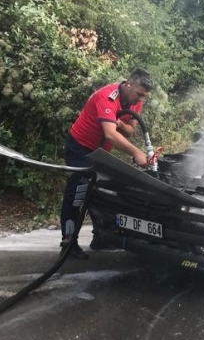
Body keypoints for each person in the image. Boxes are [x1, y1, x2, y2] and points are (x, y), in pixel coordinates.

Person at [60, 69, 153, 258]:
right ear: (128, 84)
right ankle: (68, 243)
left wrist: (118, 123)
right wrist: (136, 152)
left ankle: (101, 237)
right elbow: (110, 134)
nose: (140, 99)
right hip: (80, 148)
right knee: (78, 193)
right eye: (139, 94)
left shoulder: (136, 102)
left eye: (144, 96)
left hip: (101, 153)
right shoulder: (107, 97)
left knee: (101, 192)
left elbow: (128, 130)